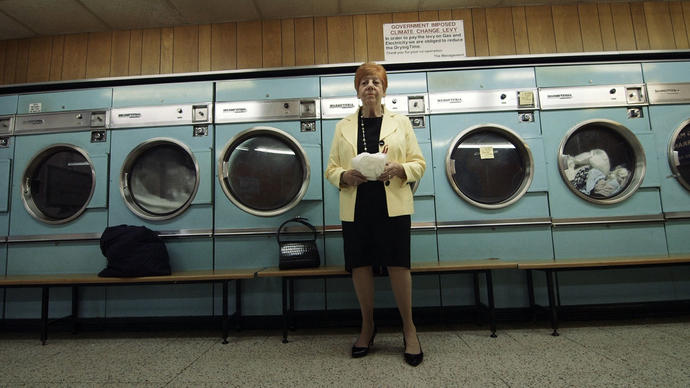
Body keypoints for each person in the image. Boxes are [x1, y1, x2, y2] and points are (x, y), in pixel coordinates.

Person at [325, 62, 426, 366]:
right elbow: (331, 168)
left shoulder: (401, 123)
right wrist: (344, 176)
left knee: (398, 265)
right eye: (364, 82)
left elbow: (419, 163)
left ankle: (409, 329)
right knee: (360, 265)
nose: (370, 87)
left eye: (375, 82)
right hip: (357, 204)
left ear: (384, 90)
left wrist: (400, 168)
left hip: (392, 202)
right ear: (357, 91)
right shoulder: (343, 125)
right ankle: (368, 326)